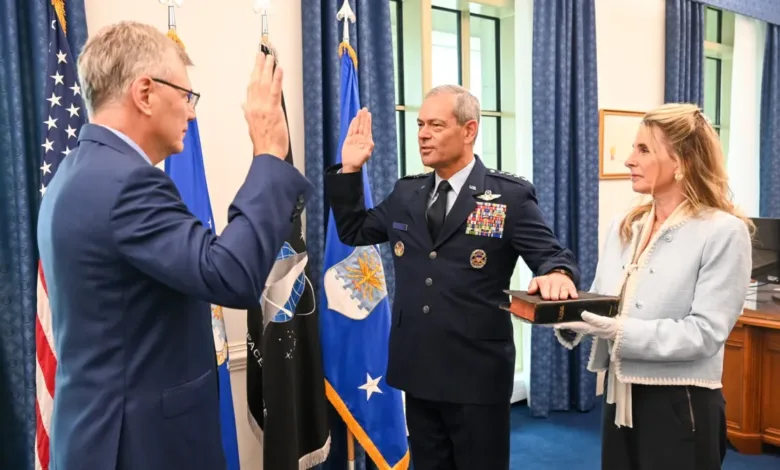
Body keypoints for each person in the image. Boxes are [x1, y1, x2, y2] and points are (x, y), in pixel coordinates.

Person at [36, 21, 311, 470]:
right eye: (186, 96)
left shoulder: (77, 171)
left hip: (103, 435)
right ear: (144, 93)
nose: (192, 113)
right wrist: (266, 154)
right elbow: (231, 275)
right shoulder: (125, 183)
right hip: (140, 447)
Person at [325, 84, 580, 470]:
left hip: (475, 372)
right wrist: (349, 170)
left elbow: (552, 255)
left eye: (436, 125)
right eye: (420, 124)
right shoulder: (406, 193)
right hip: (418, 366)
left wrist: (558, 274)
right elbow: (354, 231)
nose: (423, 134)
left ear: (469, 130)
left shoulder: (507, 197)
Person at [554, 103, 752, 470]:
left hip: (681, 402)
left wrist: (620, 330)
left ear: (684, 161)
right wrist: (559, 307)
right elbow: (602, 302)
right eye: (633, 148)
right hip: (619, 393)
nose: (629, 159)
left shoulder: (724, 232)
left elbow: (706, 333)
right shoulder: (625, 225)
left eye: (644, 149)